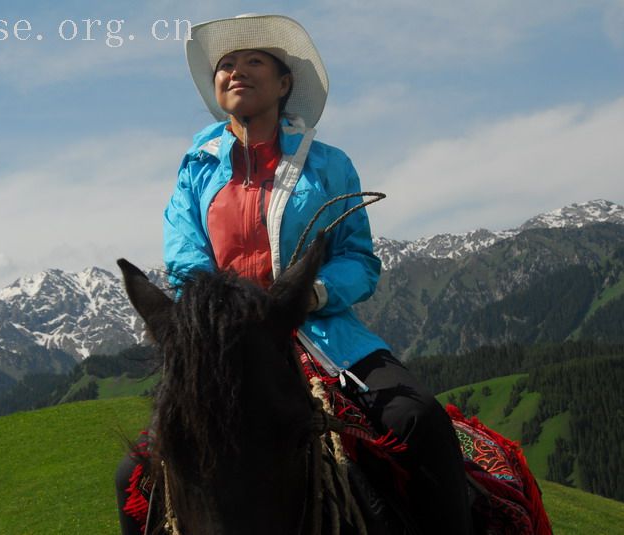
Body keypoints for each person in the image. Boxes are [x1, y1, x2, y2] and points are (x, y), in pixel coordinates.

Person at [117, 13, 472, 534]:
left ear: (284, 83)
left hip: (324, 331)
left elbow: (360, 258)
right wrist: (224, 314)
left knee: (417, 420)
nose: (236, 72)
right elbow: (186, 261)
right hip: (227, 343)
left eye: (253, 62)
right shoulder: (196, 168)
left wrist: (317, 293)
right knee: (136, 471)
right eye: (226, 65)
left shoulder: (328, 165)